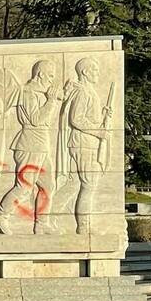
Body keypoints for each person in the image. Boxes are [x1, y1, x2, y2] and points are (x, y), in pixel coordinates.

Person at [0, 60, 63, 235]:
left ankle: (42, 223)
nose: (52, 80)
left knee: (48, 186)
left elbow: (46, 121)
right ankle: (0, 215)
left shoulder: (39, 94)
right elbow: (36, 120)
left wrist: (52, 100)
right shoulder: (28, 93)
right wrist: (51, 101)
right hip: (30, 145)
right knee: (25, 186)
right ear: (41, 75)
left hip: (41, 146)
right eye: (50, 76)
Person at [62, 58, 111, 234]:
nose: (98, 74)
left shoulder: (88, 91)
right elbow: (76, 119)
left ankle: (82, 223)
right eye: (95, 70)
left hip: (87, 143)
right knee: (88, 185)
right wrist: (98, 131)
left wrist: (102, 114)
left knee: (87, 184)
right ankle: (83, 227)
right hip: (83, 143)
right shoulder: (84, 92)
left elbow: (87, 117)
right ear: (85, 72)